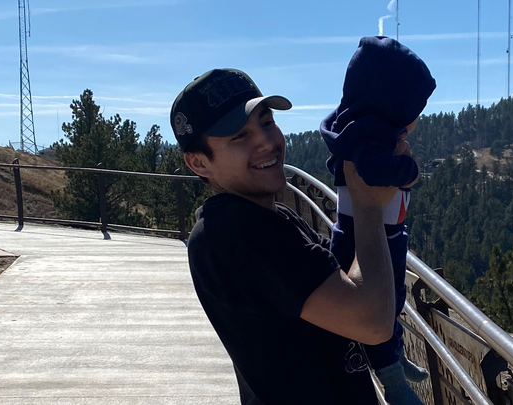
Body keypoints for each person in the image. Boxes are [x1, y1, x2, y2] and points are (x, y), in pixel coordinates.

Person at [171, 68, 403, 404]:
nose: (267, 142)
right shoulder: (235, 235)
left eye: (267, 123)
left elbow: (342, 275)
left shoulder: (269, 217)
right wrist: (368, 207)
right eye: (239, 136)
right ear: (198, 163)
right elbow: (372, 322)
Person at [320, 36, 437, 405]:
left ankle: (395, 355)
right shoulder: (368, 141)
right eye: (416, 109)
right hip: (369, 236)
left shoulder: (359, 132)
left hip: (378, 232)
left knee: (395, 299)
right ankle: (393, 381)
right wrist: (409, 169)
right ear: (395, 106)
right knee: (385, 300)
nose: (418, 118)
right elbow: (379, 173)